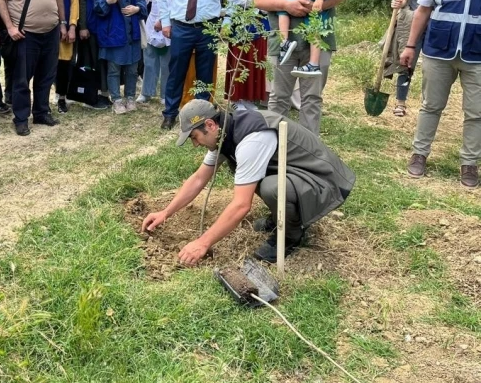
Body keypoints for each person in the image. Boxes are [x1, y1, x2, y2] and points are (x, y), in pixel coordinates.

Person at [141, 100, 356, 264]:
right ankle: (279, 217)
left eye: (195, 137)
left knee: (272, 188)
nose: (195, 144)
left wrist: (202, 243)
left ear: (210, 124)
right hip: (298, 175)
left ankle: (291, 236)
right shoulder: (225, 134)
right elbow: (199, 179)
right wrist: (165, 213)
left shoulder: (251, 140)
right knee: (260, 180)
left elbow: (241, 205)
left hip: (325, 180)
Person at [400, 0, 481, 189]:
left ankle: (469, 163)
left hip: (477, 54)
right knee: (431, 106)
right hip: (438, 50)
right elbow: (423, 9)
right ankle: (420, 154)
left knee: (476, 112)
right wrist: (411, 45)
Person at [253, 0, 350, 136]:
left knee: (312, 99)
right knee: (278, 98)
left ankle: (310, 152)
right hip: (282, 44)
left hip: (317, 42)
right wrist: (288, 5)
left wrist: (320, 5)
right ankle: (273, 146)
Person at [156, 0, 242, 130]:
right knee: (176, 73)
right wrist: (165, 22)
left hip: (208, 28)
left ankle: (201, 117)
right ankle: (169, 114)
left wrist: (228, 22)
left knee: (205, 74)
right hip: (181, 27)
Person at [0, 0, 65, 136]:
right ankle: (21, 118)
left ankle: (42, 112)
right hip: (25, 34)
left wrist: (61, 23)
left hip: (50, 31)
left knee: (46, 75)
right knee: (22, 79)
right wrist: (10, 27)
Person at [386, 0, 452, 117]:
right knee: (407, 64)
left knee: (434, 68)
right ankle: (400, 103)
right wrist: (398, 2)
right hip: (414, 25)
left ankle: (430, 104)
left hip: (438, 28)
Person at [94, 0, 148, 114]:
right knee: (114, 67)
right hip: (113, 30)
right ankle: (116, 98)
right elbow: (96, 7)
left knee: (133, 67)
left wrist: (137, 8)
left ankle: (130, 97)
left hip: (131, 29)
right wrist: (107, 1)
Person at [179, 0, 228, 108]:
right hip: (186, 25)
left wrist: (226, 21)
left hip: (210, 26)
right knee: (187, 67)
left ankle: (204, 103)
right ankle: (185, 101)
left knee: (207, 68)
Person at [137, 0, 183, 104]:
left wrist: (164, 20)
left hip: (168, 20)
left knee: (166, 61)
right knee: (149, 58)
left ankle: (165, 94)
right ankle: (147, 92)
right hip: (153, 17)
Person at [226, 0, 270, 109]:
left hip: (259, 26)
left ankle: (252, 98)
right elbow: (232, 1)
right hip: (240, 27)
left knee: (255, 61)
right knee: (239, 62)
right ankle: (237, 99)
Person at [75, 0, 111, 109]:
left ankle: (106, 92)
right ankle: (93, 94)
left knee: (106, 58)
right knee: (93, 59)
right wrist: (82, 25)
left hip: (109, 20)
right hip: (92, 21)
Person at [49, 0, 79, 114]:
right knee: (47, 65)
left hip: (66, 27)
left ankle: (61, 97)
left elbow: (74, 2)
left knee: (64, 65)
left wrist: (72, 25)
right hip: (47, 27)